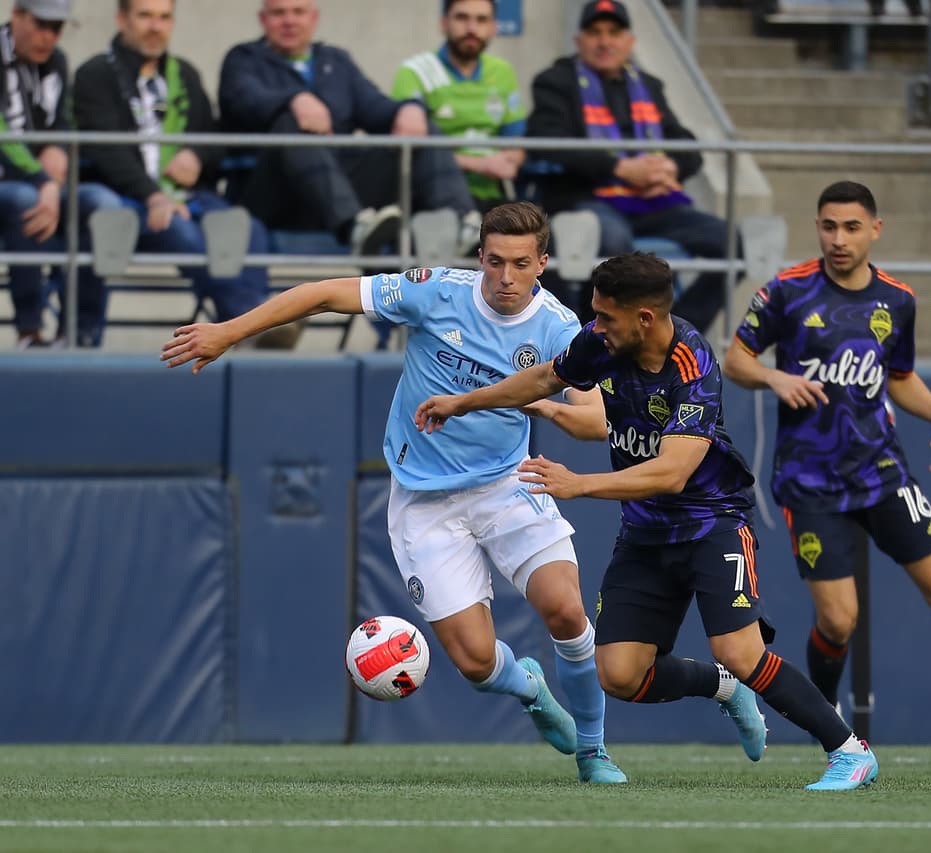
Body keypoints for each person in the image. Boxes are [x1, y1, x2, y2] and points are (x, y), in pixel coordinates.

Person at [161, 202, 626, 785]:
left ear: (543, 263)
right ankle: (528, 686)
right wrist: (228, 332)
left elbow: (596, 420)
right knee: (478, 664)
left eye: (521, 265)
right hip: (424, 501)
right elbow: (324, 294)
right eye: (496, 262)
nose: (506, 278)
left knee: (565, 608)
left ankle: (593, 749)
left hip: (507, 484)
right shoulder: (435, 292)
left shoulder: (559, 329)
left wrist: (538, 402)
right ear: (480, 256)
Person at [415, 251, 880, 791]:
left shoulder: (692, 361)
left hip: (712, 523)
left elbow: (673, 472)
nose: (595, 327)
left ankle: (849, 750)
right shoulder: (602, 342)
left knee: (740, 649)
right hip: (645, 532)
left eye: (606, 317)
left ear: (644, 319)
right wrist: (463, 403)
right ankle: (724, 688)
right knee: (619, 675)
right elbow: (544, 376)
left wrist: (579, 484)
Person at [722, 180, 931, 761]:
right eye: (828, 226)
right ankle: (830, 733)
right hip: (811, 481)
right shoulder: (787, 291)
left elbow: (899, 376)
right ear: (817, 227)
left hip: (883, 473)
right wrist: (775, 377)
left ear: (876, 229)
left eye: (851, 227)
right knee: (839, 620)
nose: (839, 238)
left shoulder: (897, 300)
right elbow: (736, 358)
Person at [73, 0, 289, 337]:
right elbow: (105, 150)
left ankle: (250, 324)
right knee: (186, 234)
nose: (155, 27)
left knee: (248, 229)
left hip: (187, 197)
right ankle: (251, 328)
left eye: (164, 17)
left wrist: (196, 155)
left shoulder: (184, 74)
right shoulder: (95, 74)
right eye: (144, 16)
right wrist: (153, 196)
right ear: (122, 20)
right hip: (127, 201)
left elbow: (215, 137)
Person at [526, 0, 732, 333]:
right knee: (613, 244)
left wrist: (669, 168)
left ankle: (673, 334)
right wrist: (620, 169)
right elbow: (548, 142)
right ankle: (595, 336)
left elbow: (686, 145)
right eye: (595, 33)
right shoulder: (556, 81)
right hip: (586, 198)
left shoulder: (648, 85)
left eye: (614, 32)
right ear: (579, 41)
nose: (605, 41)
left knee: (728, 241)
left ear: (629, 42)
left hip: (651, 202)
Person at [218, 0, 479, 258]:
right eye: (279, 13)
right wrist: (294, 100)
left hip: (337, 189)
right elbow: (244, 100)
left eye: (298, 12)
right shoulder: (243, 59)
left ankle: (460, 226)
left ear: (314, 18)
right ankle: (354, 228)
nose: (289, 21)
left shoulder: (335, 61)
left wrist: (410, 109)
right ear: (263, 20)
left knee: (422, 127)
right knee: (290, 122)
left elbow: (374, 108)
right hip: (274, 195)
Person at [1, 0, 122, 348]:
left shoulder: (56, 61)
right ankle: (29, 331)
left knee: (103, 203)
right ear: (17, 15)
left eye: (56, 28)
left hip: (44, 185)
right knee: (25, 200)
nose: (48, 37)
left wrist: (58, 146)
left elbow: (64, 121)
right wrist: (44, 182)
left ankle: (79, 331)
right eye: (41, 24)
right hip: (22, 186)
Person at [390, 0, 526, 213]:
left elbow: (516, 141)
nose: (472, 29)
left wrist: (511, 160)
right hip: (433, 197)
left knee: (542, 234)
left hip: (495, 197)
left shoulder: (503, 72)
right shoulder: (415, 72)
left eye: (481, 20)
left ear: (493, 28)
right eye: (462, 18)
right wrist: (479, 164)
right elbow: (411, 150)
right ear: (444, 23)